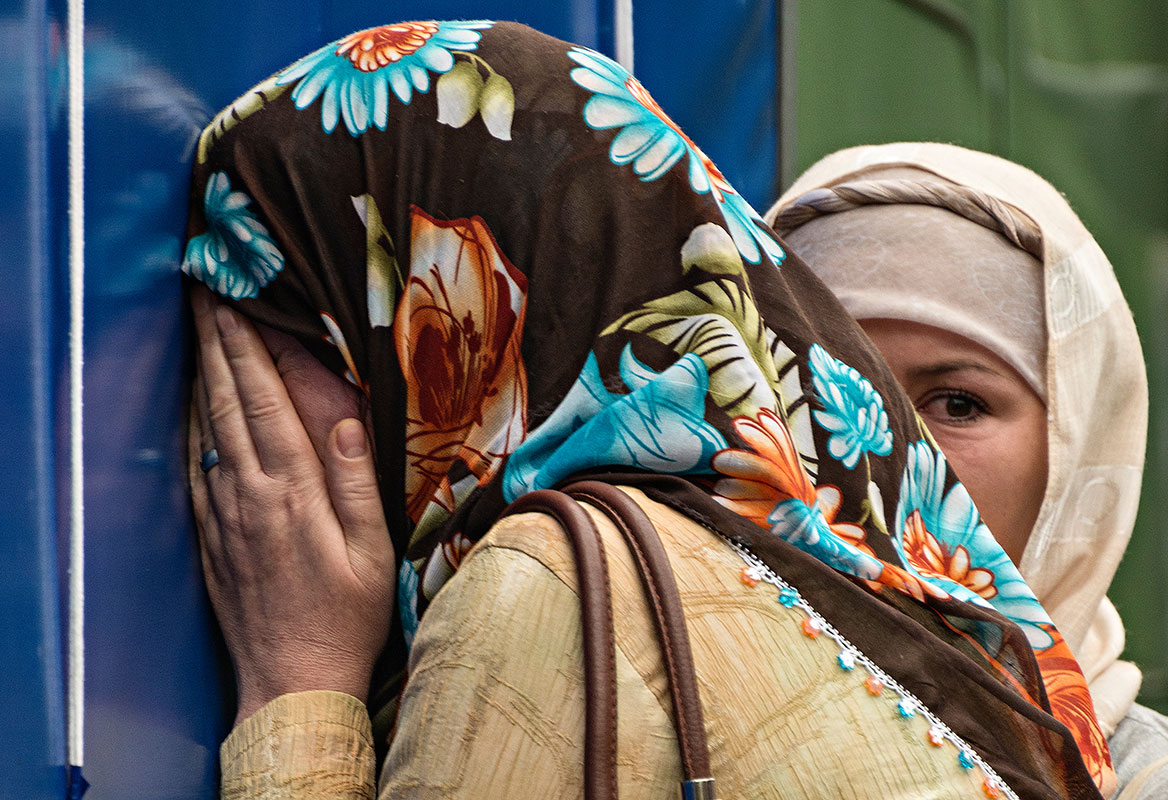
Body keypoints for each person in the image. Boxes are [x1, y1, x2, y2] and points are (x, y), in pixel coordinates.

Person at [185, 22, 1113, 798]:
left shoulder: (553, 585)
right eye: (836, 358)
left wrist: (298, 692)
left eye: (299, 337)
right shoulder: (994, 693)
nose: (867, 428)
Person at [765, 141, 1168, 798]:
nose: (876, 449)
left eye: (957, 404)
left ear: (1071, 460)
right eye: (816, 391)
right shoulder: (630, 719)